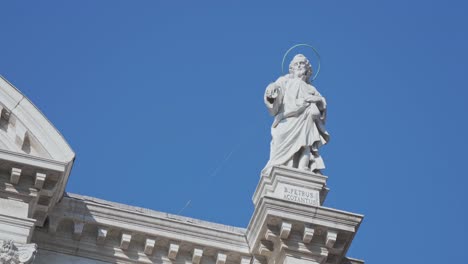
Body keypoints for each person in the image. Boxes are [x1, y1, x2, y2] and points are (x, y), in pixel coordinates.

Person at [262, 54, 329, 176]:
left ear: (307, 70)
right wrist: (271, 89)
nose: (299, 66)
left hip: (305, 118)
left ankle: (303, 167)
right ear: (291, 68)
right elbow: (275, 89)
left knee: (306, 143)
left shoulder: (310, 88)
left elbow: (322, 102)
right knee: (280, 140)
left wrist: (315, 99)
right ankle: (282, 167)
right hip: (286, 120)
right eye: (296, 64)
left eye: (302, 64)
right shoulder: (285, 81)